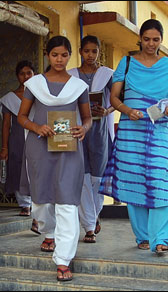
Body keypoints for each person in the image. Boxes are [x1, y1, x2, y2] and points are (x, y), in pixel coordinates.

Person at [99, 19, 168, 256]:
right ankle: (143, 235)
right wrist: (127, 111)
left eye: (156, 40)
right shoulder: (127, 62)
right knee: (134, 180)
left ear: (161, 41)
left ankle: (162, 238)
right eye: (146, 39)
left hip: (159, 128)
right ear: (140, 39)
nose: (151, 44)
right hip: (131, 129)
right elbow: (114, 97)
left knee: (160, 179)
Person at [18, 35, 92, 281]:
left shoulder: (78, 86)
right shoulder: (35, 84)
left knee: (68, 202)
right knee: (41, 201)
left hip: (69, 149)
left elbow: (87, 117)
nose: (60, 60)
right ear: (47, 55)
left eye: (64, 55)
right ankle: (48, 231)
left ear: (70, 55)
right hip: (40, 147)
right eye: (55, 55)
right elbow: (22, 117)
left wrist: (84, 128)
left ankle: (63, 260)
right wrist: (37, 127)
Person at [68, 35, 114, 243]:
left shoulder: (107, 75)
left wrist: (108, 110)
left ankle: (94, 216)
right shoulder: (70, 76)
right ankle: (88, 226)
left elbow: (118, 99)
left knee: (97, 178)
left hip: (100, 132)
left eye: (94, 51)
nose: (90, 55)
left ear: (99, 52)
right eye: (86, 51)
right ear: (80, 52)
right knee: (82, 177)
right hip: (78, 131)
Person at [0, 60, 39, 233]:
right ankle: (24, 205)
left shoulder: (40, 95)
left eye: (29, 73)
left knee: (35, 169)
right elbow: (6, 124)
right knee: (17, 167)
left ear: (34, 74)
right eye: (22, 73)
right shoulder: (10, 99)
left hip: (36, 136)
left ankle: (37, 206)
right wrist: (4, 147)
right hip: (16, 139)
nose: (25, 76)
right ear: (17, 76)